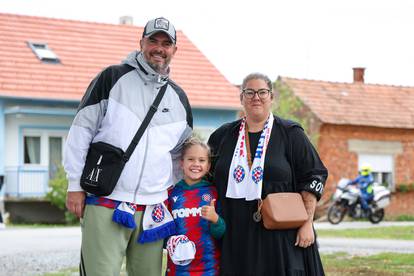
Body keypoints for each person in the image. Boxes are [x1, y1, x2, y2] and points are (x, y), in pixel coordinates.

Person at [63, 17, 193, 276]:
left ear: (174, 50)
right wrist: (75, 185)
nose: (159, 48)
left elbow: (180, 155)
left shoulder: (179, 99)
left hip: (153, 210)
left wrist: (162, 191)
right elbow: (81, 131)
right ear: (141, 43)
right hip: (106, 199)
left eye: (166, 43)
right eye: (153, 41)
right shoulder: (112, 78)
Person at [208, 73, 328, 276]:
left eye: (262, 92)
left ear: (271, 97)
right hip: (235, 233)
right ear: (241, 97)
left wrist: (307, 223)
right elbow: (205, 175)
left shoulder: (290, 133)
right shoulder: (223, 135)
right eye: (249, 92)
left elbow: (313, 176)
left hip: (280, 235)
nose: (256, 97)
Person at [167, 137, 225, 275]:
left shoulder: (214, 192)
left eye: (201, 160)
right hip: (178, 268)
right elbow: (165, 232)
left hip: (208, 267)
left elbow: (221, 233)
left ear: (208, 166)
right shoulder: (171, 193)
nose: (196, 164)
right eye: (191, 159)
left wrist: (215, 219)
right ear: (182, 163)